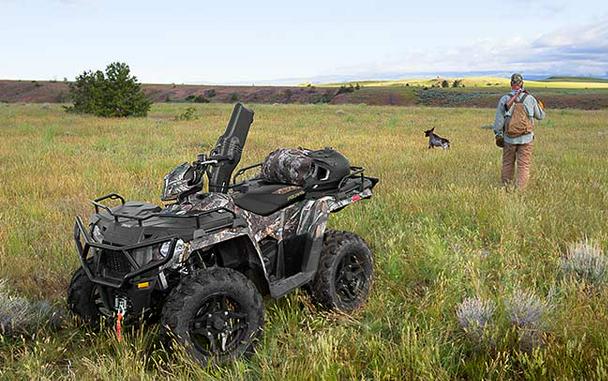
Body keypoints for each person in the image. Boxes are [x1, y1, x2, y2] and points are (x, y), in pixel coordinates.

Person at [493, 73, 545, 189]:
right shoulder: (530, 99)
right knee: (523, 165)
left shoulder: (505, 99)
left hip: (509, 138)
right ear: (522, 83)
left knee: (507, 163)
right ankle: (520, 191)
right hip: (526, 138)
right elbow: (541, 116)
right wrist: (539, 106)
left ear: (511, 84)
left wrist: (498, 133)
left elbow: (498, 122)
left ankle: (506, 188)